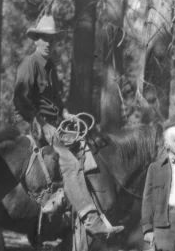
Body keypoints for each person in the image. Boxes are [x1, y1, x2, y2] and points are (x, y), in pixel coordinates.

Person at [13, 15, 122, 237]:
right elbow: (20, 100)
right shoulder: (29, 64)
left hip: (53, 125)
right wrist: (41, 124)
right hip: (31, 124)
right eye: (44, 38)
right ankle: (90, 220)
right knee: (70, 163)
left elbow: (55, 100)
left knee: (87, 149)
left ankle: (66, 205)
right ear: (36, 40)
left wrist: (64, 113)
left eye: (51, 39)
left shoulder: (51, 67)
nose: (48, 43)